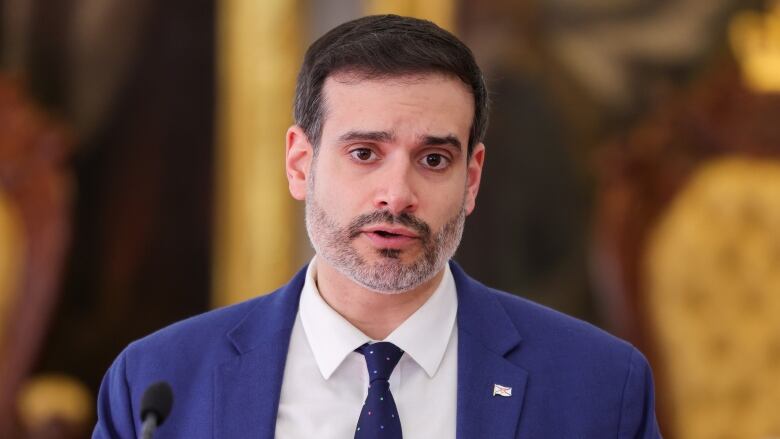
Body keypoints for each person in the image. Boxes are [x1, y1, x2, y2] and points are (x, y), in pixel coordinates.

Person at [93, 14, 660, 438]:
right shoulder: (155, 386)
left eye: (434, 160)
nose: (398, 195)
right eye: (364, 153)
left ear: (472, 178)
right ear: (300, 163)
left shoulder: (600, 387)